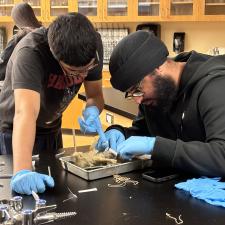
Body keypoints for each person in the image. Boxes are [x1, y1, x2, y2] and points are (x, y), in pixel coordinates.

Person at [0, 12, 105, 195]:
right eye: (73, 72)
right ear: (55, 56)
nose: (81, 77)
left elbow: (94, 94)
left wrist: (93, 109)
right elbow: (25, 113)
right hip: (15, 131)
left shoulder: (93, 47)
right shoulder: (31, 53)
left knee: (55, 191)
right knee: (23, 198)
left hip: (52, 128)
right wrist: (22, 170)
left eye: (86, 69)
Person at [96, 30, 225, 177]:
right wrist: (121, 133)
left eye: (137, 89)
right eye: (131, 93)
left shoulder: (214, 86)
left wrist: (154, 146)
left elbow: (221, 155)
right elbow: (144, 132)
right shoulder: (158, 94)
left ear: (158, 67)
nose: (138, 100)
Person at [0, 2, 42, 81]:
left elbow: (2, 68)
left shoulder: (18, 38)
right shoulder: (46, 33)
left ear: (17, 20)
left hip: (23, 84)